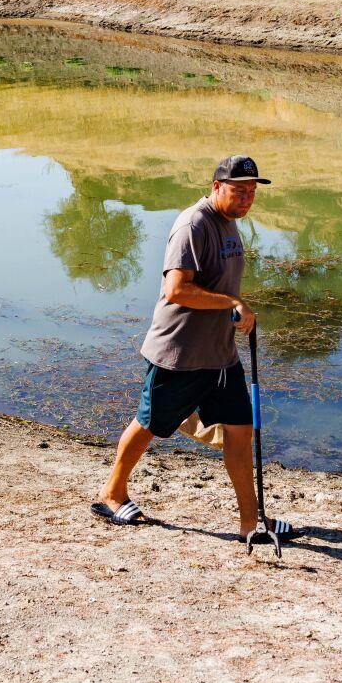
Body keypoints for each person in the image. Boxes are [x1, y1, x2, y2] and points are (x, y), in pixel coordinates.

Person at [92, 155, 298, 543]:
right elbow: (177, 290)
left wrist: (233, 311)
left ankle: (250, 523)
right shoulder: (194, 224)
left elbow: (218, 283)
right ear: (217, 186)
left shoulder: (230, 224)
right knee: (150, 423)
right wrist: (232, 304)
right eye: (239, 191)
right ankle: (111, 493)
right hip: (180, 354)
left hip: (221, 356)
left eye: (252, 192)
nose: (247, 199)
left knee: (240, 433)